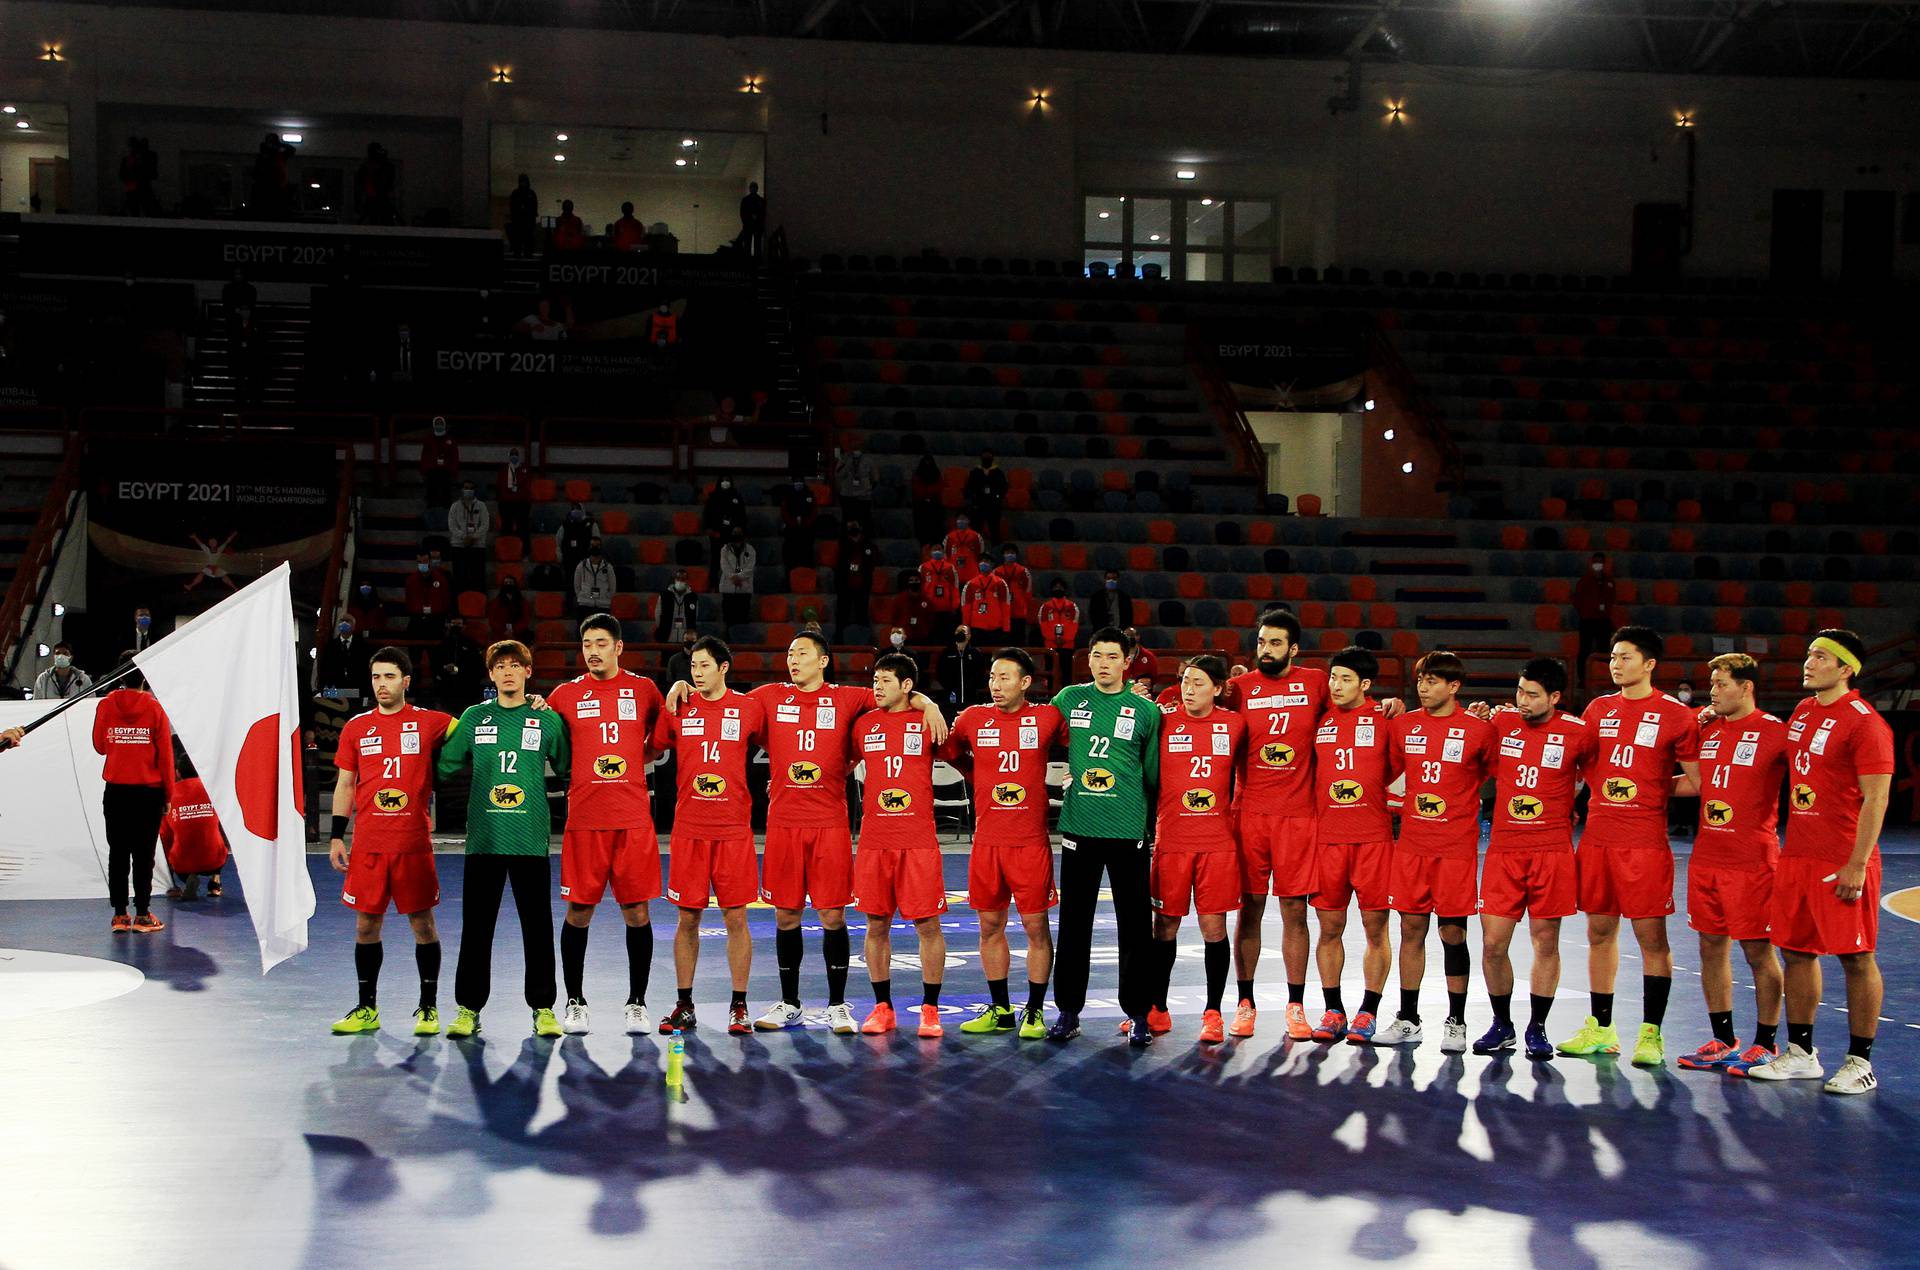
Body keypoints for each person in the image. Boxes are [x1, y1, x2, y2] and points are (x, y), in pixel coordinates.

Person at [662, 632, 947, 1032]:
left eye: (802, 653)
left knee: (832, 915)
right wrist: (682, 685)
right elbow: (719, 698)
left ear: (824, 661)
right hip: (782, 824)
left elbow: (896, 694)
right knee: (785, 915)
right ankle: (789, 1002)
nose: (793, 660)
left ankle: (837, 1004)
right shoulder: (766, 697)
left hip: (829, 823)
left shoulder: (850, 698)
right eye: (789, 653)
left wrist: (929, 703)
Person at [1747, 629, 1891, 1094]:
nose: (1809, 662)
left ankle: (1860, 1062)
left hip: (1842, 858)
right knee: (1797, 952)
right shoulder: (1805, 711)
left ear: (1845, 669)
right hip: (1798, 855)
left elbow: (1877, 798)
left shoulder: (1866, 723)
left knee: (1856, 956)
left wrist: (1857, 863)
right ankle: (1802, 1053)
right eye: (1809, 653)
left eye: (1821, 657)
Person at [1558, 625, 1700, 1067]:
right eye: (1613, 658)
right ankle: (1601, 1029)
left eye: (1625, 657)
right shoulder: (1599, 710)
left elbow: (1696, 782)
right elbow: (1577, 765)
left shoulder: (1676, 715)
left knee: (1651, 939)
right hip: (1598, 839)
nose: (1616, 664)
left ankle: (1652, 1035)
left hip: (1644, 844)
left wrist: (1653, 788)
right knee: (1599, 933)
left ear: (1649, 664)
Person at [436, 641, 570, 1039]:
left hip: (530, 840)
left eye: (516, 665)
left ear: (528, 671)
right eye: (500, 666)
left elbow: (565, 766)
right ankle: (467, 1009)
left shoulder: (547, 720)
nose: (508, 671)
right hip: (484, 840)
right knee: (476, 928)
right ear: (491, 674)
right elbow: (445, 765)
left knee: (537, 927)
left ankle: (544, 1008)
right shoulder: (474, 718)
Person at [544, 616, 668, 1035]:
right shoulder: (564, 695)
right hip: (585, 822)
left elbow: (663, 736)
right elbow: (548, 740)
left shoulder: (644, 690)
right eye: (585, 643)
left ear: (618, 647)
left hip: (632, 820)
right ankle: (575, 1002)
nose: (592, 651)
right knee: (579, 912)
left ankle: (637, 1002)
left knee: (636, 911)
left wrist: (639, 756)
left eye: (600, 642)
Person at [325, 649, 453, 1036]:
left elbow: (477, 725)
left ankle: (428, 1008)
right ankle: (367, 1008)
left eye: (390, 677)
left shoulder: (429, 722)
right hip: (369, 843)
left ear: (406, 681)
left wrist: (529, 702)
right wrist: (335, 835)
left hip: (412, 842)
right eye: (377, 677)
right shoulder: (356, 727)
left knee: (423, 925)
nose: (382, 684)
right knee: (366, 927)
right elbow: (345, 783)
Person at [1472, 658, 1595, 1060]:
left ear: (1555, 697)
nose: (1522, 700)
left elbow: (1605, 775)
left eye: (1532, 694)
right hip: (1505, 852)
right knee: (1492, 944)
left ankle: (1537, 1027)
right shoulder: (1501, 724)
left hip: (1552, 853)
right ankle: (1501, 1023)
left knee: (1546, 941)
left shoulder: (1578, 733)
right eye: (1519, 691)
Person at [1670, 653, 1787, 1074]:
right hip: (1707, 857)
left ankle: (1766, 1043)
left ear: (1747, 687)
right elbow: (1694, 784)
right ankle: (1722, 1038)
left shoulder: (1775, 732)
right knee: (1710, 947)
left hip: (1752, 860)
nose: (1713, 691)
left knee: (1758, 952)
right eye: (1712, 683)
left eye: (1721, 684)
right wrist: (1638, 788)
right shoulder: (1710, 732)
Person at [939, 647, 1064, 1038]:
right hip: (987, 843)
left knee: (1035, 927)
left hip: (1030, 843)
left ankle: (1036, 1011)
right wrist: (975, 776)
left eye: (1005, 677)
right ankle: (1000, 1010)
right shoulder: (973, 718)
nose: (996, 685)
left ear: (1026, 683)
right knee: (989, 926)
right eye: (993, 677)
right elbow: (949, 749)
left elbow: (1084, 736)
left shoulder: (1047, 718)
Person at [1048, 627, 1162, 1044]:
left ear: (1126, 662)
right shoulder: (1069, 699)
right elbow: (1036, 728)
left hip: (1128, 828)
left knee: (1135, 928)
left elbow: (1152, 774)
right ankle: (1068, 1012)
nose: (1103, 664)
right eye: (1096, 655)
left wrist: (1147, 820)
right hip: (1080, 826)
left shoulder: (1146, 711)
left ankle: (1138, 1014)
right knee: (1074, 925)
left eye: (1112, 656)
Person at [1384, 651, 1494, 1052]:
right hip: (1412, 846)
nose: (1424, 688)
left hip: (1455, 851)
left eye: (1432, 681)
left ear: (1454, 687)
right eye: (1420, 681)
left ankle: (1457, 1022)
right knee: (1410, 929)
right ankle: (1408, 1018)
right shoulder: (1404, 726)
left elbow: (1501, 772)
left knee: (1452, 932)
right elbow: (1387, 776)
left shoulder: (1479, 730)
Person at [655, 636, 765, 1035]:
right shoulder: (678, 707)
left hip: (734, 832)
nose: (696, 673)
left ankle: (739, 1005)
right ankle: (684, 1003)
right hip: (689, 832)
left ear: (724, 668)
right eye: (692, 667)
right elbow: (649, 745)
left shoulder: (750, 708)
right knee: (688, 918)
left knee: (736, 918)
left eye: (704, 665)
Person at [1144, 655, 1244, 1043]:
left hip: (1217, 844)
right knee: (1164, 926)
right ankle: (1158, 1007)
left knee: (1213, 928)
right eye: (1186, 681)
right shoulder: (1162, 721)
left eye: (1199, 682)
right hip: (1171, 841)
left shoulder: (1235, 725)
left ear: (1218, 688)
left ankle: (1214, 1013)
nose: (1189, 689)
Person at [852, 652, 951, 1037]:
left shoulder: (928, 721)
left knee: (928, 924)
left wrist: (929, 704)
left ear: (907, 685)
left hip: (918, 841)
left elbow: (966, 757)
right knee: (876, 924)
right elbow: (836, 763)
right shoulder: (863, 726)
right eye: (874, 680)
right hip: (876, 841)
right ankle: (882, 1007)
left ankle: (930, 1009)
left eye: (886, 680)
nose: (877, 687)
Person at [1305, 646, 1400, 1045]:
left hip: (1374, 840)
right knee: (1330, 927)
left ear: (1365, 684)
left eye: (1346, 679)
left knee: (1375, 928)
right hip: (1328, 840)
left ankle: (1368, 1011)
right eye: (1333, 678)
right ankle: (1333, 1009)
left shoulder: (1388, 719)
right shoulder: (1320, 719)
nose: (1336, 685)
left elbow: (1402, 771)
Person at [92, 655, 175, 933]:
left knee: (117, 852)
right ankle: (142, 914)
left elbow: (99, 747)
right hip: (148, 793)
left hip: (116, 791)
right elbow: (166, 757)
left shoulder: (105, 705)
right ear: (144, 677)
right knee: (144, 854)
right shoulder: (155, 709)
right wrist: (169, 795)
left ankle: (119, 915)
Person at [160, 753, 228, 902]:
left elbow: (165, 836)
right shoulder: (213, 790)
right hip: (214, 859)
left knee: (179, 837)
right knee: (215, 834)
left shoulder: (169, 795)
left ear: (177, 772)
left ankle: (189, 876)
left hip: (182, 865)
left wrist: (169, 867)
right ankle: (215, 881)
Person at [1572, 553, 1617, 688]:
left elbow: (1612, 598)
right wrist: (1586, 613)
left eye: (1600, 562)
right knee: (1585, 650)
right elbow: (1577, 600)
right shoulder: (1584, 581)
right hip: (1587, 620)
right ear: (1591, 564)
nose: (1598, 565)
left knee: (1604, 650)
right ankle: (1582, 679)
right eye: (1596, 562)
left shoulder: (1609, 581)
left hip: (1603, 621)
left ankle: (1603, 678)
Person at [430, 615, 485, 711]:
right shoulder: (442, 644)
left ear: (464, 626)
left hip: (467, 684)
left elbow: (477, 666)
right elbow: (435, 664)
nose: (455, 626)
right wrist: (444, 668)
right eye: (453, 624)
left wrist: (459, 670)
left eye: (458, 624)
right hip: (446, 684)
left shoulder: (472, 644)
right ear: (448, 625)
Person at [447, 481, 491, 596]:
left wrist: (473, 537)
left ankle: (477, 605)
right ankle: (459, 606)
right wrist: (463, 537)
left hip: (477, 546)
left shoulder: (481, 506)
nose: (468, 490)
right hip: (458, 546)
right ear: (462, 489)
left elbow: (485, 525)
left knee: (477, 577)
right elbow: (452, 525)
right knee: (459, 577)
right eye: (466, 488)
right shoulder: (455, 506)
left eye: (471, 488)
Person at [835, 521, 876, 637]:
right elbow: (838, 565)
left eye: (855, 528)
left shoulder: (867, 545)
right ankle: (840, 640)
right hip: (845, 586)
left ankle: (864, 642)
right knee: (843, 614)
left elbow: (872, 563)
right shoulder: (843, 545)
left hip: (862, 586)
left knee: (862, 615)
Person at [1037, 580, 1080, 691]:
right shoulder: (1045, 607)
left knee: (1067, 672)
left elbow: (1074, 625)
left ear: (1065, 589)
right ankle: (1049, 693)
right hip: (1050, 645)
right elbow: (1043, 625)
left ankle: (1067, 695)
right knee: (1050, 672)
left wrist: (1064, 639)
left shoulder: (1072, 606)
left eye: (1060, 587)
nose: (1058, 589)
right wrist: (1053, 638)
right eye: (1055, 587)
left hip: (1067, 645)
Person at [935, 625, 989, 712]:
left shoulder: (976, 653)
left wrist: (973, 685)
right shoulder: (946, 653)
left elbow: (981, 672)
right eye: (958, 632)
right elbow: (940, 672)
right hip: (951, 694)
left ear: (969, 636)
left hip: (971, 695)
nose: (960, 634)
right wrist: (949, 685)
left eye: (963, 632)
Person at [702, 475, 747, 573]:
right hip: (716, 532)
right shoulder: (713, 497)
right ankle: (713, 584)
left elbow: (742, 514)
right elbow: (707, 514)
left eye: (727, 480)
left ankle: (733, 585)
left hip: (732, 533)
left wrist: (740, 527)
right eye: (723, 480)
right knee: (715, 559)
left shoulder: (737, 497)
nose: (725, 482)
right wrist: (708, 528)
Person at [317, 616, 372, 696]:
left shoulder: (363, 646)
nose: (344, 623)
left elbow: (366, 670)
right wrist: (322, 689)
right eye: (342, 621)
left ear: (354, 626)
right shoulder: (330, 645)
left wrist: (366, 691)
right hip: (334, 691)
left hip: (356, 690)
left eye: (348, 621)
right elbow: (324, 668)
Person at [960, 563, 1011, 646]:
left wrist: (1006, 629)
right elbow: (966, 608)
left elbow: (1006, 607)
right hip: (976, 627)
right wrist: (966, 628)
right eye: (982, 561)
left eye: (987, 561)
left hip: (996, 628)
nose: (984, 563)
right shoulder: (971, 584)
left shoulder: (1000, 583)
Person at [780, 477, 818, 589]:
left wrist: (805, 523)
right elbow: (784, 511)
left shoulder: (810, 495)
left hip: (807, 532)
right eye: (796, 482)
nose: (798, 484)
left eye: (800, 482)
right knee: (791, 561)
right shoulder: (787, 495)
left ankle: (808, 585)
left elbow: (814, 511)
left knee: (806, 560)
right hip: (791, 532)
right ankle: (789, 585)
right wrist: (793, 523)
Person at [406, 551, 454, 637]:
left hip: (436, 619)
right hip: (418, 619)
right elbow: (409, 603)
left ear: (430, 562)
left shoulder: (441, 579)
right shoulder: (411, 580)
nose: (422, 564)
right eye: (419, 562)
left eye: (425, 561)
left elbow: (446, 602)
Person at [963, 450, 1008, 542]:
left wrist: (997, 497)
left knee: (995, 530)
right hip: (978, 505)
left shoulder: (998, 473)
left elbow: (1003, 488)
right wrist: (973, 498)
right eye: (984, 455)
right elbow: (969, 488)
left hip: (993, 505)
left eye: (989, 455)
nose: (986, 458)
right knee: (976, 531)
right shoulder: (975, 472)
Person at [718, 528, 756, 629]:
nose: (737, 535)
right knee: (728, 618)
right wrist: (732, 577)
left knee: (742, 618)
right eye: (735, 532)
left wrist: (739, 577)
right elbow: (724, 565)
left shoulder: (750, 549)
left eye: (739, 533)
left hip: (744, 588)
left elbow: (750, 567)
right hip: (728, 588)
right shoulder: (725, 549)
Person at [420, 416, 460, 510]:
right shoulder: (428, 439)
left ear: (444, 425)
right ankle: (431, 509)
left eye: (441, 423)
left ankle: (446, 511)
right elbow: (424, 456)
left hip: (446, 471)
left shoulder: (450, 440)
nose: (439, 425)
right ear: (434, 425)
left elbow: (455, 456)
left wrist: (454, 471)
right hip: (432, 470)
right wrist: (423, 470)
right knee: (431, 491)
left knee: (446, 492)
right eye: (437, 424)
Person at [996, 546, 1034, 644]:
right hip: (1001, 613)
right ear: (1003, 555)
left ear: (1016, 555)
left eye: (1012, 552)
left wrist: (1024, 607)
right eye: (1007, 552)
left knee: (1018, 640)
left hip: (1018, 612)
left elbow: (1028, 592)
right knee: (1003, 641)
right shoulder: (997, 572)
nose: (1010, 554)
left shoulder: (1023, 571)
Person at [571, 538, 616, 619]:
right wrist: (582, 596)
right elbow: (576, 585)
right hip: (585, 605)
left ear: (601, 547)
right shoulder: (581, 565)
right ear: (589, 547)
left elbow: (613, 587)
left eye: (597, 546)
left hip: (603, 605)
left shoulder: (608, 567)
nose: (595, 548)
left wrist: (606, 597)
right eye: (592, 545)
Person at [355, 142, 397, 225]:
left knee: (384, 220)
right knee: (372, 220)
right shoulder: (366, 167)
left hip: (381, 199)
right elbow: (361, 182)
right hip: (373, 198)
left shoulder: (386, 167)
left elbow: (389, 180)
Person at [835, 447, 875, 532]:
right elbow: (839, 475)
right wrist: (847, 464)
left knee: (864, 521)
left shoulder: (868, 460)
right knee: (847, 520)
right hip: (847, 496)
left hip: (864, 496)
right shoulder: (844, 459)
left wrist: (867, 489)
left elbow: (874, 478)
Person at [496, 447, 533, 539]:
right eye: (512, 454)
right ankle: (506, 550)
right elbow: (500, 486)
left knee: (523, 526)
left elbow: (526, 488)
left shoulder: (525, 470)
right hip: (506, 502)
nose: (514, 457)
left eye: (516, 454)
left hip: (521, 503)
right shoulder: (504, 471)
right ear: (509, 456)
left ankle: (525, 550)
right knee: (506, 526)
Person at [656, 568, 700, 643]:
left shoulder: (693, 597)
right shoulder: (665, 595)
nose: (680, 581)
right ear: (674, 580)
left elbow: (695, 616)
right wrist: (663, 629)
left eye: (683, 579)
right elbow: (657, 614)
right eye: (678, 578)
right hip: (667, 636)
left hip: (686, 639)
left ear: (687, 581)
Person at [910, 454, 946, 547]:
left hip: (935, 506)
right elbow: (918, 491)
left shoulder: (938, 476)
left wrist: (929, 494)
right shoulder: (917, 477)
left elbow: (939, 489)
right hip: (921, 507)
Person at [557, 501, 598, 581]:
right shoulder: (566, 525)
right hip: (569, 561)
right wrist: (560, 556)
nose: (576, 511)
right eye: (574, 509)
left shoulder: (591, 524)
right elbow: (558, 542)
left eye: (578, 509)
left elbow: (596, 542)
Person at [489, 576, 532, 644]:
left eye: (510, 582)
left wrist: (514, 630)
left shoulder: (523, 602)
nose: (508, 584)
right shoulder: (495, 602)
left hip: (519, 634)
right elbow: (492, 620)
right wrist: (504, 631)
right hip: (500, 634)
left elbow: (526, 619)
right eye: (506, 583)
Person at [506, 174, 538, 256]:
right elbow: (512, 207)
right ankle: (519, 253)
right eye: (522, 181)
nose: (523, 183)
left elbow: (534, 208)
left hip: (527, 222)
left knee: (527, 241)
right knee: (518, 241)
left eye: (524, 181)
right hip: (519, 222)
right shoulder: (516, 193)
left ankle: (526, 254)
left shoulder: (530, 193)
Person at [738, 181, 766, 259]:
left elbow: (763, 213)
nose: (753, 189)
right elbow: (742, 213)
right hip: (750, 225)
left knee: (755, 245)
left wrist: (753, 218)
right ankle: (751, 261)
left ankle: (753, 261)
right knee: (749, 245)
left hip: (754, 225)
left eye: (754, 187)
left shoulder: (757, 200)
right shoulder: (757, 200)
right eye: (752, 187)